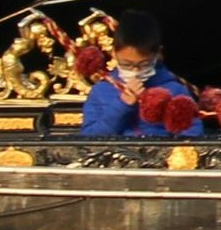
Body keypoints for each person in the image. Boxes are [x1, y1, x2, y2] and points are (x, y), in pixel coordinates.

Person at [77, 10, 209, 138]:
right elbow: (90, 138)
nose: (135, 71)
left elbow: (192, 137)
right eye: (127, 64)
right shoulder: (101, 90)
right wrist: (122, 105)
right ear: (114, 54)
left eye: (143, 65)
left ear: (158, 54)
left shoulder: (175, 90)